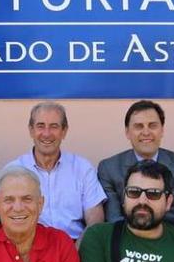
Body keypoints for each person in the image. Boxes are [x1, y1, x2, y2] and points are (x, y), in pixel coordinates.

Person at [98, 100, 174, 241]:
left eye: (152, 126)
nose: (146, 132)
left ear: (162, 130)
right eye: (138, 126)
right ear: (127, 132)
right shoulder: (109, 168)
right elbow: (114, 220)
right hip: (130, 248)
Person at [7, 101, 105, 240]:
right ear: (31, 130)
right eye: (40, 126)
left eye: (54, 127)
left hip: (75, 245)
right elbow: (8, 218)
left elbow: (95, 218)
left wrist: (79, 249)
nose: (47, 134)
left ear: (64, 131)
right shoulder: (14, 170)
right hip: (29, 246)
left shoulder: (82, 168)